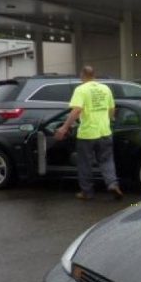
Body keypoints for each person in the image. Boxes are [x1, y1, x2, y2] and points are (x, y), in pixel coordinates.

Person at [55, 66, 123, 200]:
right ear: (94, 75)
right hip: (105, 132)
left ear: (82, 75)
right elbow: (111, 110)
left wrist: (64, 127)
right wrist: (109, 120)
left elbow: (76, 111)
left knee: (85, 163)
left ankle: (86, 192)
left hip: (87, 133)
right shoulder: (105, 89)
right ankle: (112, 184)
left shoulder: (81, 90)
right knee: (107, 161)